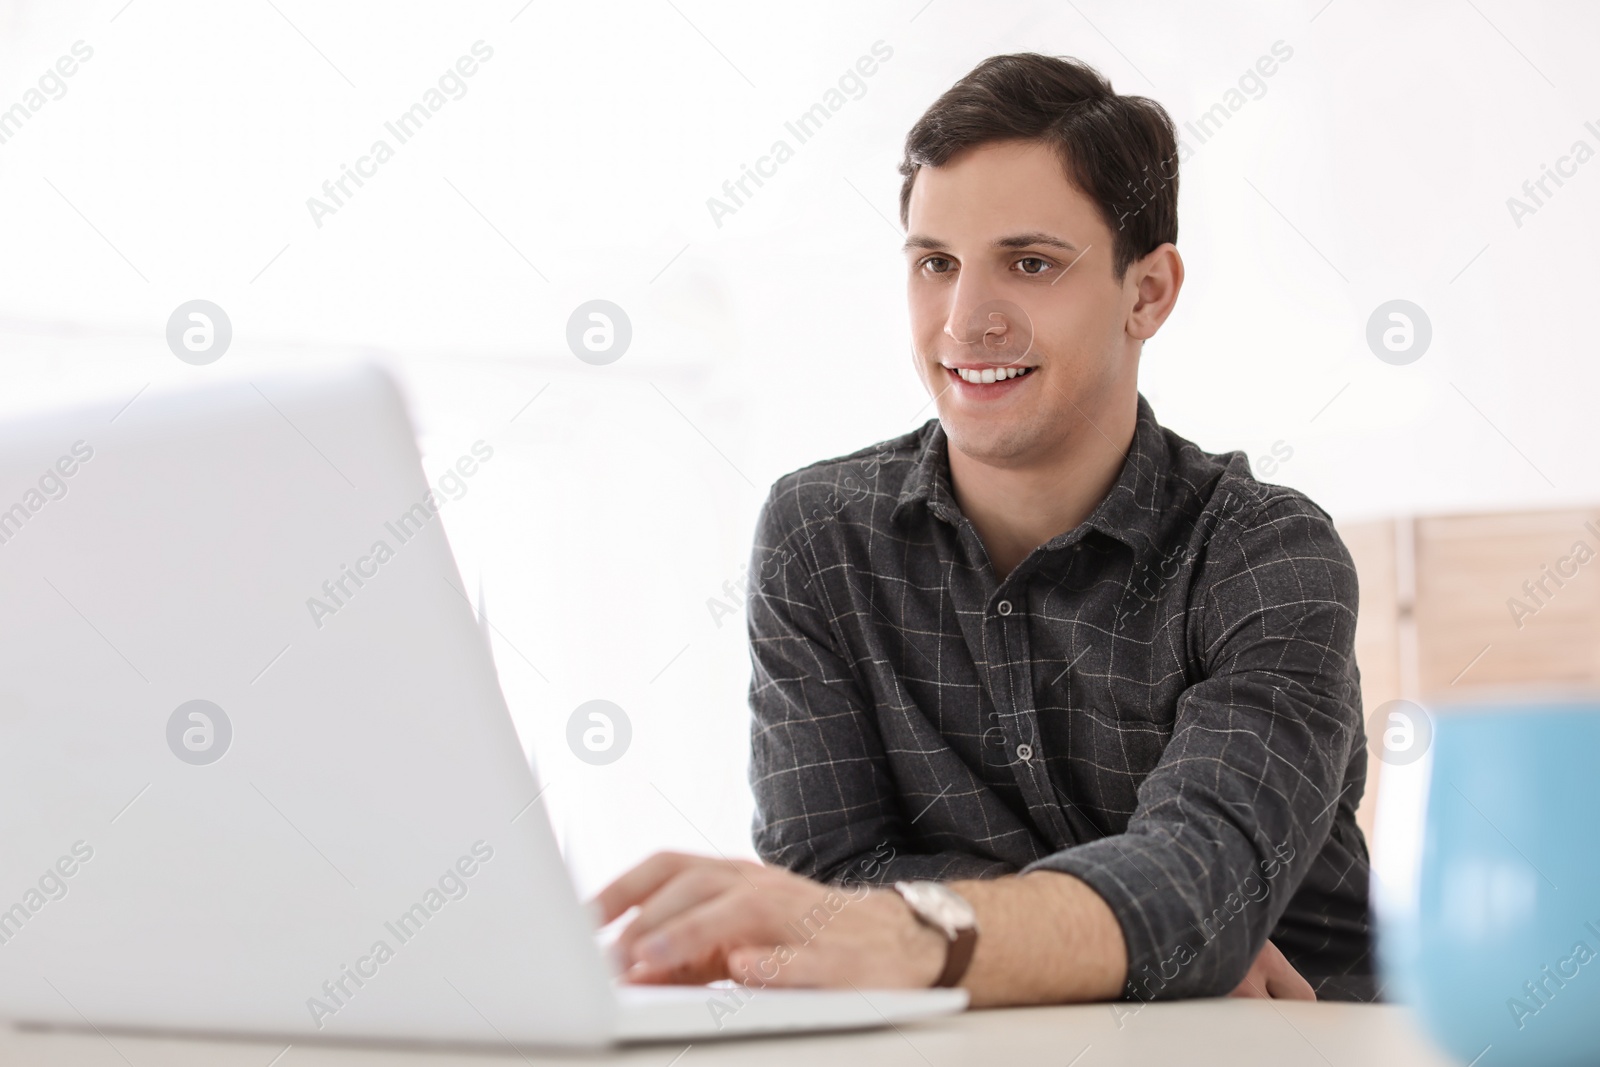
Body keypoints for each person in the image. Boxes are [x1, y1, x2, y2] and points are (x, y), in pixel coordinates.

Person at [595, 52, 1374, 1007]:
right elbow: (824, 879)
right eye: (936, 264)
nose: (967, 320)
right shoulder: (818, 537)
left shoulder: (1267, 556)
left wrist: (1154, 925)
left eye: (1031, 263)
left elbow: (1202, 881)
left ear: (1148, 293)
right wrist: (1117, 939)